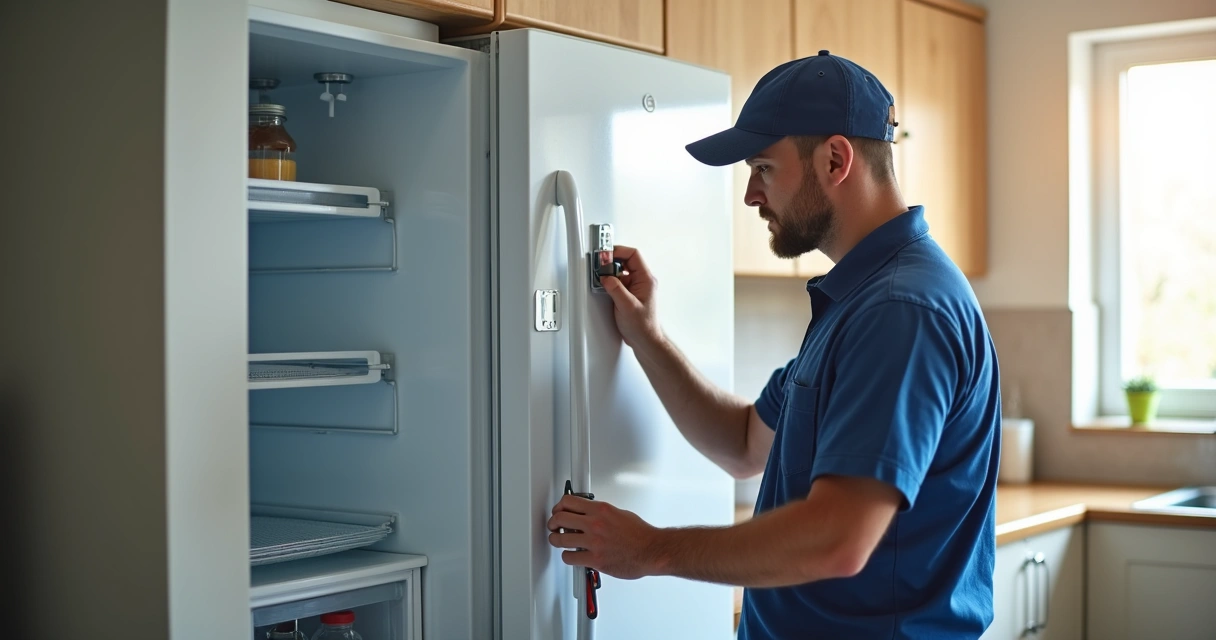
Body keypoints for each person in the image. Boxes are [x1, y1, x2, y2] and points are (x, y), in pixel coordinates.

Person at [546, 50, 1001, 639]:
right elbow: (742, 444)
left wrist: (653, 550)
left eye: (763, 167)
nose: (750, 196)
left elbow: (840, 540)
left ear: (835, 159)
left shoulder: (899, 311)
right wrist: (647, 338)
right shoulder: (860, 299)